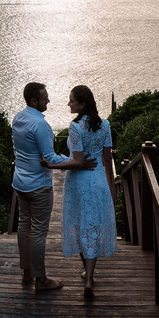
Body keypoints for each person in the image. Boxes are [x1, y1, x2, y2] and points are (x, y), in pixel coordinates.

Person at [11, 82, 95, 291]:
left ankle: (27, 273)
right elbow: (49, 158)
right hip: (39, 185)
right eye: (44, 98)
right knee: (38, 232)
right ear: (33, 101)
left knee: (24, 226)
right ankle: (41, 280)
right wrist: (76, 162)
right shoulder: (41, 125)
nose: (48, 100)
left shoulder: (18, 118)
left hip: (20, 181)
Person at [60, 84, 117, 298]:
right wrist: (111, 187)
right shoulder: (105, 125)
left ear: (82, 104)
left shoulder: (75, 127)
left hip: (79, 181)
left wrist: (52, 164)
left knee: (79, 225)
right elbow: (107, 159)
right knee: (92, 226)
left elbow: (77, 161)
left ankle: (88, 276)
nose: (69, 104)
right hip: (99, 180)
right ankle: (89, 276)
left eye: (72, 100)